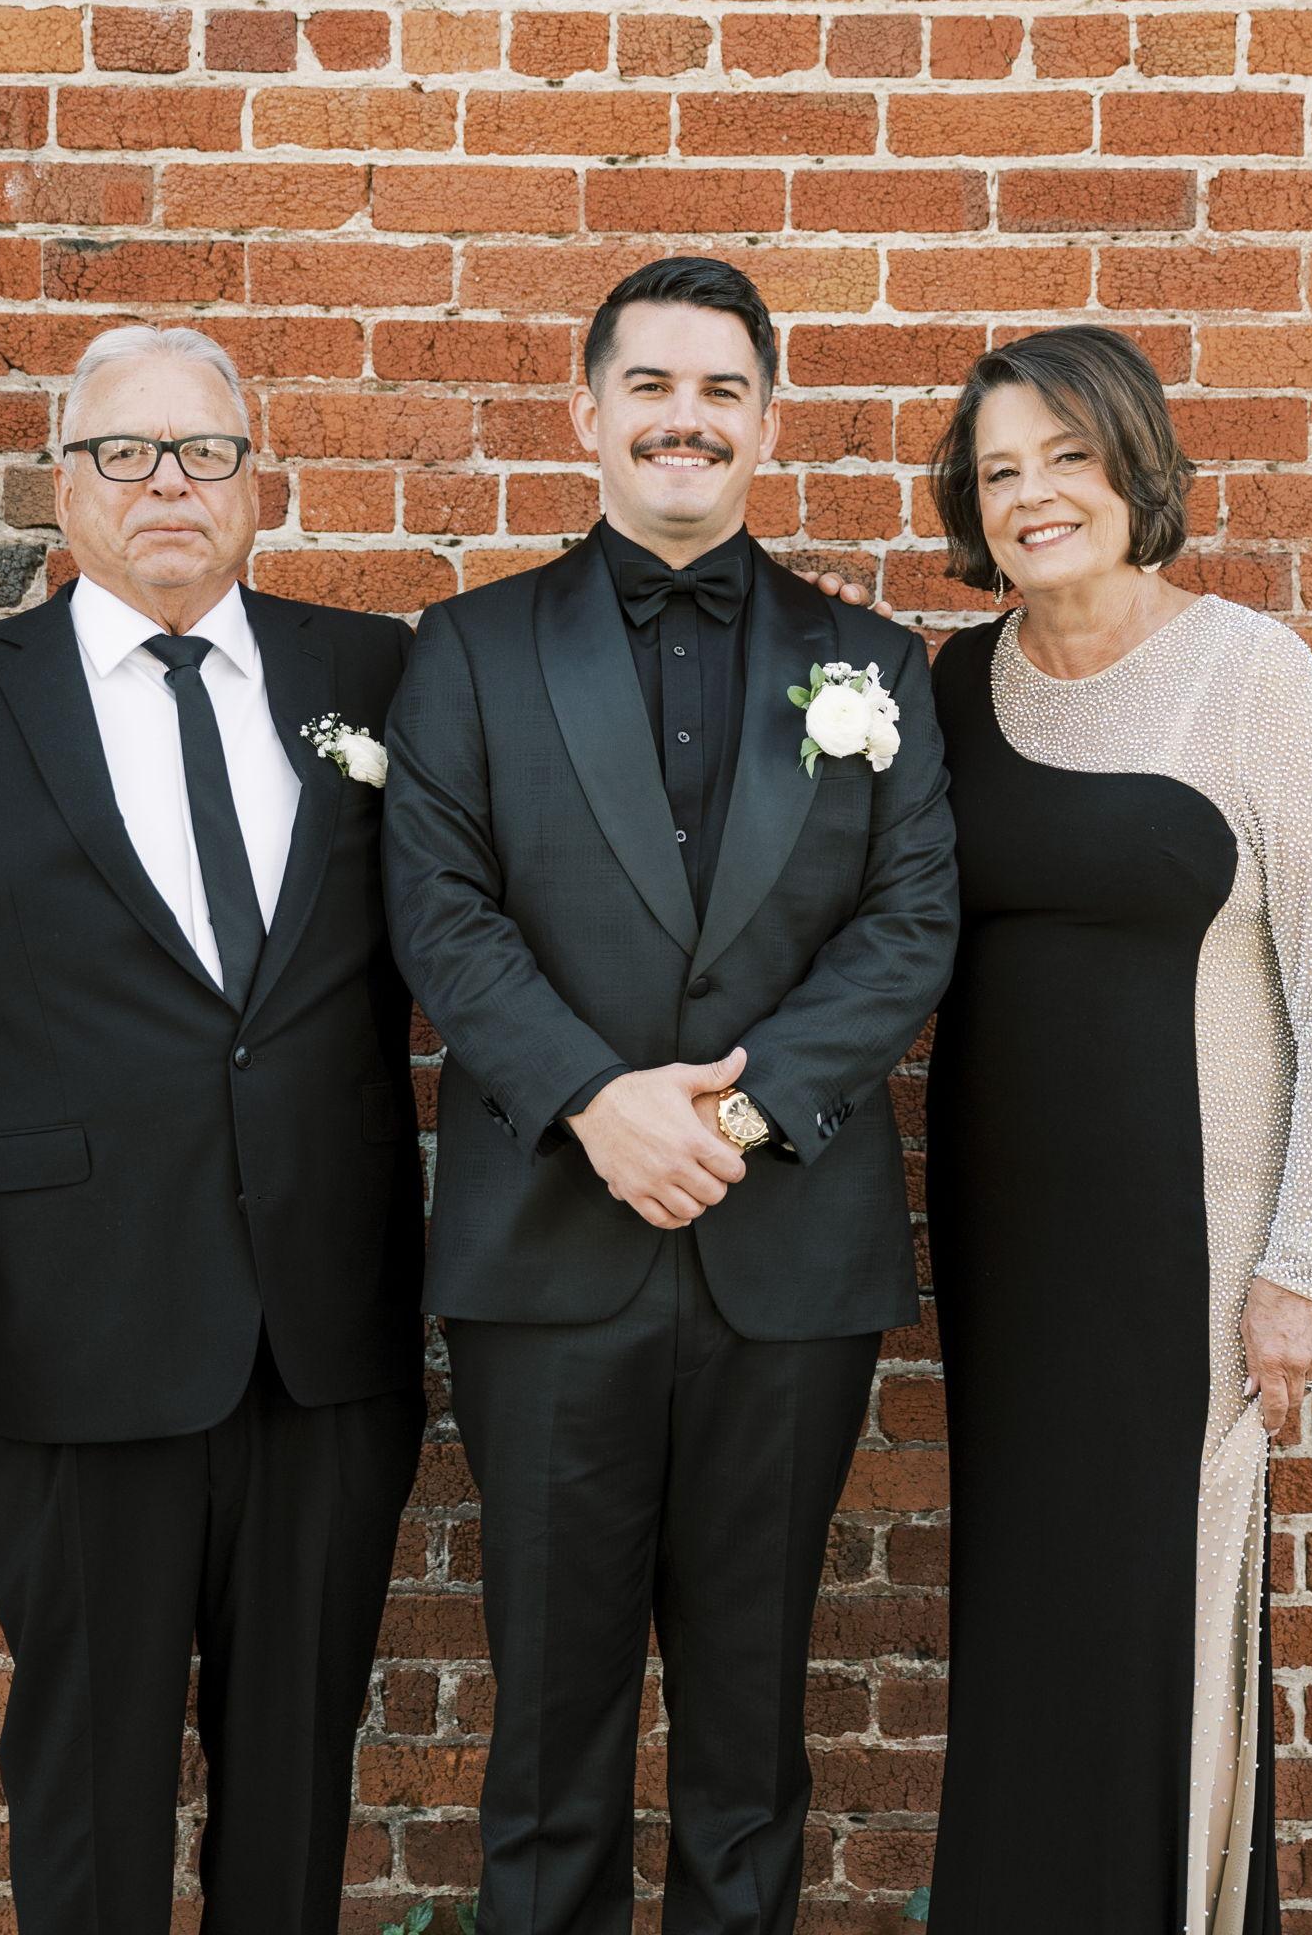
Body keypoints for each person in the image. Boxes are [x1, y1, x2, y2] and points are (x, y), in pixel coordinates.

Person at [0, 325, 424, 1934]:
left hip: (323, 1331)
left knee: (297, 1775)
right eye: (123, 453)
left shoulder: (375, 677)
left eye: (204, 451)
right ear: (63, 485)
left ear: (257, 482)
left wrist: (787, 635)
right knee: (87, 1773)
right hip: (68, 1319)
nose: (168, 484)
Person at [381, 256, 958, 1935]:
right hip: (550, 1252)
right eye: (650, 386)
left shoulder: (876, 662)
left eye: (721, 390)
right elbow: (441, 909)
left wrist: (738, 1116)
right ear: (587, 414)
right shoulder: (470, 650)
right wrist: (594, 1102)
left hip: (789, 1259)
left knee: (751, 1740)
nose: (684, 420)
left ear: (768, 423)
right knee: (549, 1736)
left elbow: (910, 923)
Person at [921, 325, 1312, 1934]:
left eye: (1067, 456)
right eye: (1001, 471)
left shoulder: (1247, 673)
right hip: (1005, 1253)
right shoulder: (952, 688)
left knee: (1164, 1604)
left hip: (1190, 1256)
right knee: (1027, 1605)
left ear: (1136, 466)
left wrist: (1304, 1266)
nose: (1035, 495)